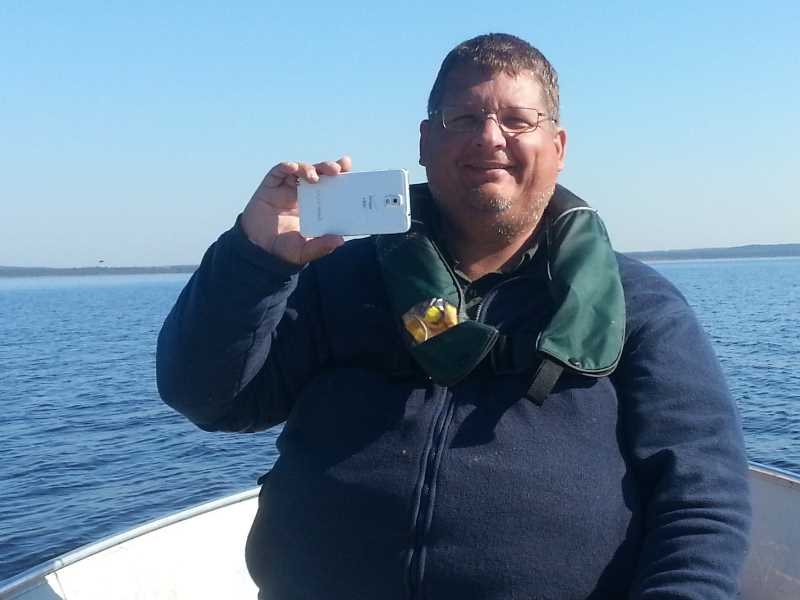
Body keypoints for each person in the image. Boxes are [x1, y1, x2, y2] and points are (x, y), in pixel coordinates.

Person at [157, 33, 751, 599]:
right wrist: (255, 258)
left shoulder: (639, 304)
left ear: (559, 147)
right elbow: (208, 398)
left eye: (518, 120)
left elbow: (701, 499)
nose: (490, 137)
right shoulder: (333, 280)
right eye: (463, 119)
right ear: (424, 142)